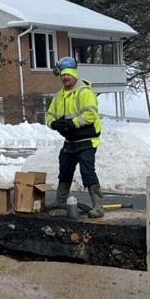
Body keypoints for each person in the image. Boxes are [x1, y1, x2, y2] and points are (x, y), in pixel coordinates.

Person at [46, 56, 104, 218]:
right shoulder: (59, 96)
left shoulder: (84, 92)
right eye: (63, 75)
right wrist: (53, 124)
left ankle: (98, 206)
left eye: (68, 75)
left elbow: (91, 115)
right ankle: (60, 200)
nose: (65, 78)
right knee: (64, 169)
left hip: (87, 139)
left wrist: (73, 123)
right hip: (70, 140)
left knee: (87, 172)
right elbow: (49, 115)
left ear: (74, 76)